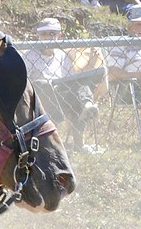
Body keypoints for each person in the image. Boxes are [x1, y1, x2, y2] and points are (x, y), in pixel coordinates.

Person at [22, 17, 105, 150]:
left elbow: (70, 80)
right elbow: (24, 82)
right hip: (40, 96)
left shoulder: (62, 55)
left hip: (60, 92)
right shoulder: (29, 55)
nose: (48, 37)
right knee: (43, 84)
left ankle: (87, 106)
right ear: (38, 35)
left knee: (79, 89)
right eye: (44, 34)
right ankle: (56, 123)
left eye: (52, 34)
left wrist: (91, 65)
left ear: (59, 35)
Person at [107, 5, 141, 84]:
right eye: (138, 24)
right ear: (129, 26)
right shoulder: (122, 44)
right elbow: (113, 72)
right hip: (139, 85)